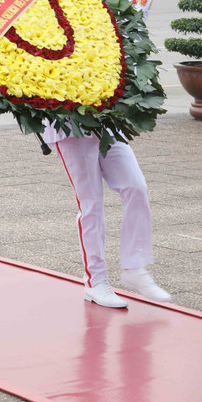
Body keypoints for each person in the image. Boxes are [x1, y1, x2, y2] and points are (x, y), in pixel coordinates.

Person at [43, 126, 170, 308]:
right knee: (91, 205)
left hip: (107, 124)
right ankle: (95, 281)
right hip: (69, 130)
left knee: (136, 187)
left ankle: (134, 267)